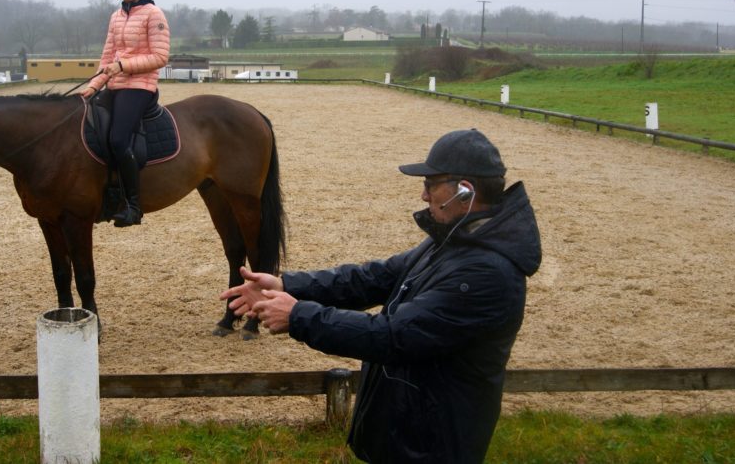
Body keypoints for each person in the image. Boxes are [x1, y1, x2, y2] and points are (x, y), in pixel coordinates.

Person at [221, 129, 541, 463]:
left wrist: (299, 315)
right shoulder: (453, 241)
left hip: (430, 445)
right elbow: (373, 278)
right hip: (408, 432)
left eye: (431, 184)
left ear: (465, 191)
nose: (423, 195)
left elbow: (393, 336)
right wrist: (288, 286)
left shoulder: (483, 273)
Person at [81, 0, 170, 227]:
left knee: (119, 139)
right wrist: (92, 87)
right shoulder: (116, 16)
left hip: (140, 87)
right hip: (116, 85)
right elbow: (107, 57)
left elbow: (160, 56)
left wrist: (124, 66)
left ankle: (133, 205)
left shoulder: (153, 14)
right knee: (89, 129)